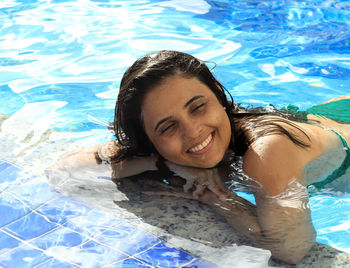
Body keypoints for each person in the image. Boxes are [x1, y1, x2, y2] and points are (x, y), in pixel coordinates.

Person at [48, 50, 350, 264]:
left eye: (197, 106)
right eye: (168, 126)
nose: (192, 132)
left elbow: (293, 248)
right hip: (320, 118)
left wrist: (217, 197)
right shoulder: (165, 148)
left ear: (218, 94)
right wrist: (159, 162)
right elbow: (63, 169)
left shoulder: (267, 151)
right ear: (149, 139)